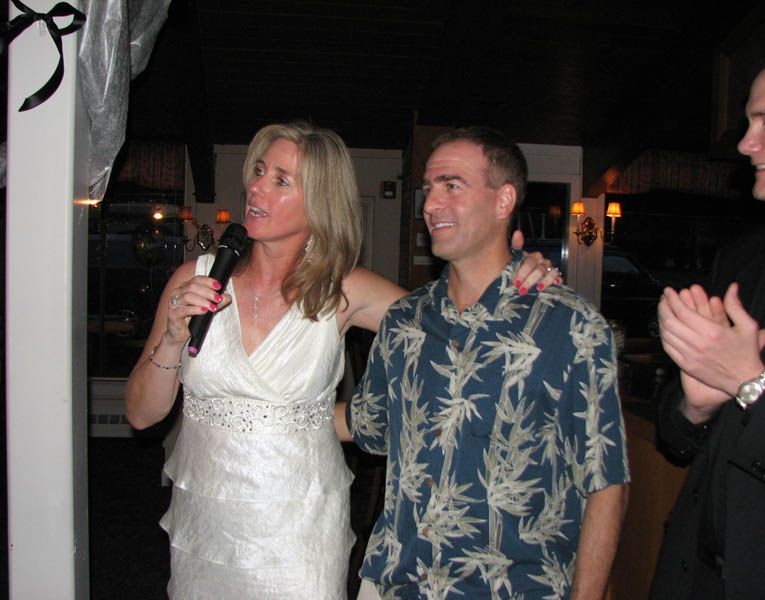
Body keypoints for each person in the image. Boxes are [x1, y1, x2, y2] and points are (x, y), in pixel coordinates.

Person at [125, 122, 559, 599]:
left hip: (298, 537)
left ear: (319, 202)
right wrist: (169, 340)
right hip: (205, 530)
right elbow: (141, 415)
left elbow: (457, 329)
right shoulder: (195, 278)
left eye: (280, 180)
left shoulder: (344, 290)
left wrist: (517, 278)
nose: (255, 187)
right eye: (259, 172)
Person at [339, 127, 629, 599]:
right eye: (428, 189)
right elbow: (368, 424)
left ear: (503, 201)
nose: (431, 204)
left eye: (451, 185)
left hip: (511, 589)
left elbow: (605, 482)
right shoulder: (404, 321)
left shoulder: (570, 327)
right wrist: (256, 414)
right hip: (400, 584)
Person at [651, 50, 765, 600]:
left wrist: (751, 383)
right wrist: (696, 403)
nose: (744, 143)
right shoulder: (741, 259)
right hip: (693, 576)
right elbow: (676, 437)